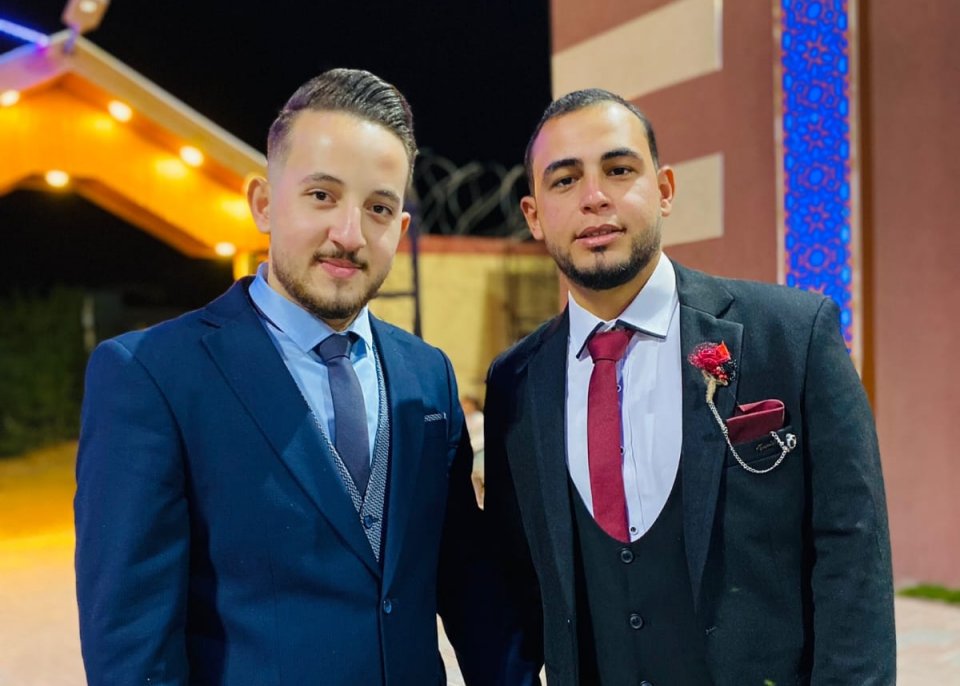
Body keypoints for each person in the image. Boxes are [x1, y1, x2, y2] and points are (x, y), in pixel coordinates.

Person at [75, 68, 494, 685]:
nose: (348, 234)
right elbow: (132, 648)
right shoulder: (152, 376)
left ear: (400, 230)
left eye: (379, 208)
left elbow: (467, 581)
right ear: (264, 204)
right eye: (322, 195)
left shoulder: (427, 374)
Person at [483, 88, 896, 686]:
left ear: (665, 189)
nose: (594, 197)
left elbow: (854, 554)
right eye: (565, 180)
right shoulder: (516, 382)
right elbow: (515, 582)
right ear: (534, 215)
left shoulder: (793, 336)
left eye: (618, 170)